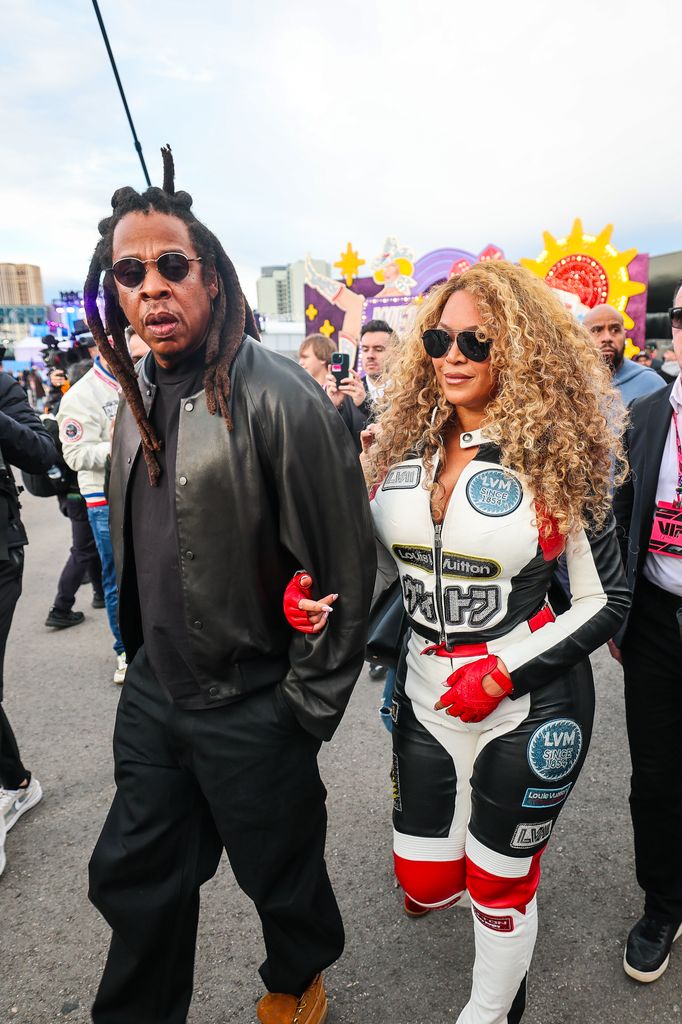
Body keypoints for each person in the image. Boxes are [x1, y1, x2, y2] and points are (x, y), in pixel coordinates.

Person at [285, 262, 630, 1024]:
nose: (453, 353)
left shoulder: (560, 457)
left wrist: (502, 672)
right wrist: (317, 601)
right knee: (429, 882)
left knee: (500, 883)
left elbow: (609, 602)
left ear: (523, 348)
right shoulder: (401, 449)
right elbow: (369, 570)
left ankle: (490, 1008)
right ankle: (495, 910)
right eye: (439, 337)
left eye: (478, 337)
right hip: (423, 693)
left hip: (530, 702)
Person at [83, 148, 375, 1024]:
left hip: (253, 704)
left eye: (173, 266)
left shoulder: (281, 396)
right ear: (114, 291)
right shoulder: (134, 390)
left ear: (210, 274)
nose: (152, 288)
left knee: (279, 874)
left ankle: (297, 978)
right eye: (130, 273)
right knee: (134, 881)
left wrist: (299, 712)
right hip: (155, 695)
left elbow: (346, 569)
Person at [611, 283, 682, 984]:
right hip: (658, 621)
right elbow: (620, 510)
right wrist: (617, 607)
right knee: (656, 776)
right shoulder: (647, 412)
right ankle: (663, 904)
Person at [0, 369, 57, 876]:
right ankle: (14, 779)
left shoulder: (2, 384)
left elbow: (41, 453)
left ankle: (13, 789)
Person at [57, 341, 127, 683]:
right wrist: (117, 445)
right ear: (97, 345)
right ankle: (124, 651)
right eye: (109, 339)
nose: (118, 344)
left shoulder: (139, 376)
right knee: (117, 578)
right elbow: (74, 455)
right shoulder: (80, 395)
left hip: (144, 493)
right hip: (104, 500)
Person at [584, 304, 666, 405]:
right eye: (597, 330)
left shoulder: (651, 383)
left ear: (625, 335)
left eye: (615, 330)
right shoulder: (572, 383)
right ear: (583, 336)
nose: (607, 338)